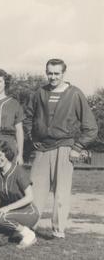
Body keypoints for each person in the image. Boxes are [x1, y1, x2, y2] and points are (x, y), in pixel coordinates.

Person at [24, 58, 98, 238]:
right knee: (34, 189)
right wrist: (32, 138)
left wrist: (78, 147)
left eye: (57, 73)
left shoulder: (75, 94)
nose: (53, 77)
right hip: (41, 148)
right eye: (50, 73)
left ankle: (58, 230)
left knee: (62, 191)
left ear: (64, 73)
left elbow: (91, 127)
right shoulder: (39, 93)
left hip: (65, 147)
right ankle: (28, 227)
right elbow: (27, 118)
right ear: (46, 72)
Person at [0, 140, 39, 249]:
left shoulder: (18, 171)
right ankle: (15, 234)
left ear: (7, 154)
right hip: (10, 214)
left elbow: (29, 197)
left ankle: (28, 234)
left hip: (28, 212)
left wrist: (6, 209)